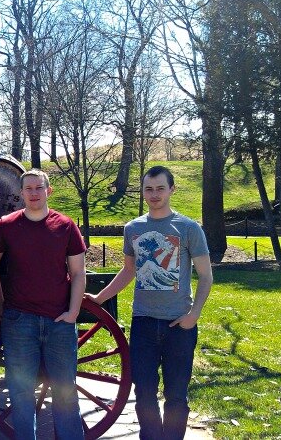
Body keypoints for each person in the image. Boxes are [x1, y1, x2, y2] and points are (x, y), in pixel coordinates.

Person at [87, 165, 213, 440]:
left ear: (172, 189)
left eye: (160, 188)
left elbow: (206, 276)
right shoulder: (133, 228)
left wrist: (194, 314)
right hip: (143, 323)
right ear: (143, 191)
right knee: (143, 393)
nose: (154, 194)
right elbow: (129, 271)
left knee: (176, 395)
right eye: (149, 189)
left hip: (179, 324)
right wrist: (99, 298)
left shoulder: (189, 228)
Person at [0, 169, 87, 440]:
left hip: (59, 321)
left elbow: (78, 272)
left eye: (38, 188)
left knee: (65, 391)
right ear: (21, 193)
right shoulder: (7, 226)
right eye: (28, 188)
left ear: (48, 190)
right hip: (20, 321)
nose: (33, 193)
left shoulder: (66, 226)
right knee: (21, 394)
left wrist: (73, 312)